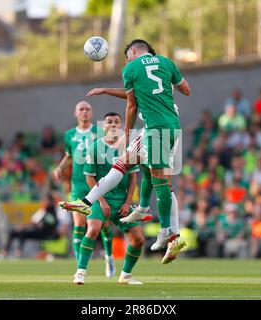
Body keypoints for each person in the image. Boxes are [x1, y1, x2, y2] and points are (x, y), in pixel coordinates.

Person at [60, 39, 189, 264]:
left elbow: (132, 103)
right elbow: (185, 90)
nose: (127, 60)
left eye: (127, 55)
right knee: (125, 163)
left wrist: (127, 133)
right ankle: (103, 203)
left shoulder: (131, 68)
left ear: (133, 51)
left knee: (162, 182)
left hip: (159, 130)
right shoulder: (166, 63)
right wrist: (106, 91)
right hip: (161, 128)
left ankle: (170, 232)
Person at [75, 112, 144, 285]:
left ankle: (125, 275)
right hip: (101, 200)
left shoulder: (128, 148)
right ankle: (80, 272)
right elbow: (89, 177)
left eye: (117, 122)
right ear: (104, 126)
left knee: (138, 239)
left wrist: (128, 203)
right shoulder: (95, 147)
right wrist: (102, 201)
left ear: (121, 125)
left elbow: (134, 178)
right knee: (92, 229)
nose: (113, 125)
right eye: (109, 122)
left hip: (122, 202)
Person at [53, 101, 115, 280]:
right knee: (79, 224)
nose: (85, 112)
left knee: (103, 224)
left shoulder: (99, 131)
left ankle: (109, 256)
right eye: (81, 109)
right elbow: (69, 156)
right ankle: (80, 266)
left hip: (97, 183)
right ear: (75, 113)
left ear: (92, 113)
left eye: (88, 109)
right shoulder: (70, 135)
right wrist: (59, 168)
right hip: (78, 185)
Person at [1, 193, 59, 258]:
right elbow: (33, 221)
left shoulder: (53, 211)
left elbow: (53, 223)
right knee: (13, 232)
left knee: (23, 233)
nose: (44, 202)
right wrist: (22, 227)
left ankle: (18, 253)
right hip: (39, 231)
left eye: (46, 200)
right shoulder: (43, 210)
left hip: (46, 233)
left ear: (50, 201)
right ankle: (5, 252)